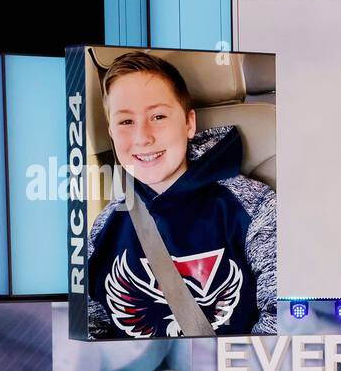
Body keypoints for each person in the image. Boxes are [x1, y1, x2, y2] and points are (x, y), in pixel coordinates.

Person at [86, 50, 277, 339]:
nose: (142, 137)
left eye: (158, 116)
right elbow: (89, 330)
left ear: (189, 123)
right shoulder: (103, 228)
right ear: (111, 131)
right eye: (126, 122)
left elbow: (283, 318)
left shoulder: (254, 208)